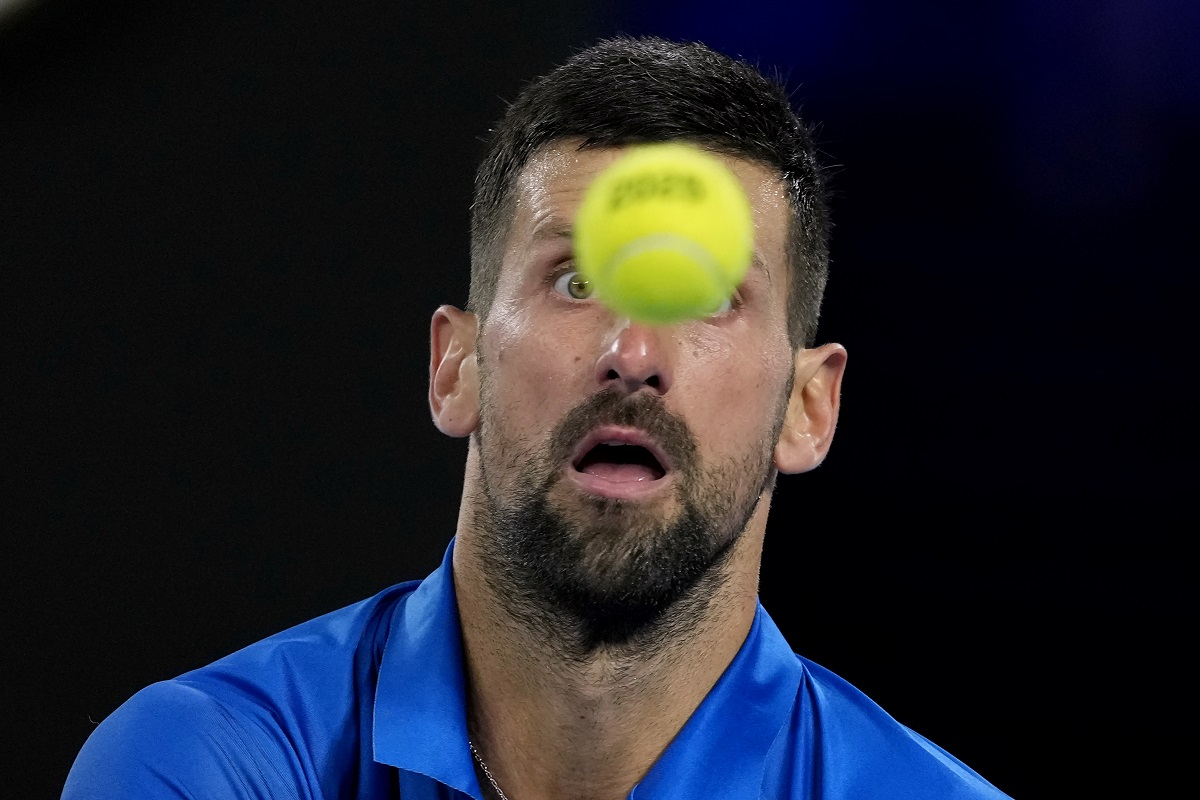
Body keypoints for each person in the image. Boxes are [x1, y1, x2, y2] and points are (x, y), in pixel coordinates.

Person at [63, 35, 1010, 800]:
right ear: (455, 365)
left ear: (808, 407)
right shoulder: (204, 767)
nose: (633, 354)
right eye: (577, 279)